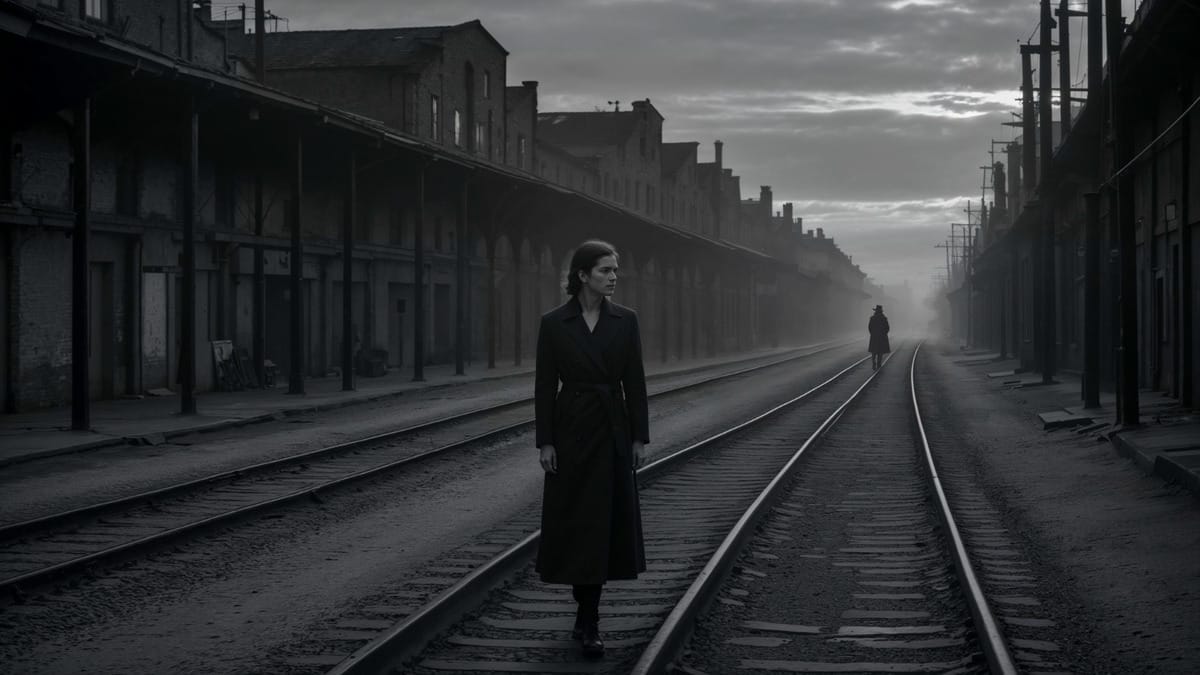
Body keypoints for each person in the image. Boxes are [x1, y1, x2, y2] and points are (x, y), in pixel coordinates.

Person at [534, 239, 648, 659]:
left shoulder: (626, 320)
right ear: (582, 275)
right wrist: (545, 440)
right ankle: (583, 607)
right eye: (605, 270)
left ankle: (590, 618)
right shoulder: (553, 323)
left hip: (612, 431)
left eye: (616, 270)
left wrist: (638, 437)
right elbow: (545, 385)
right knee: (576, 522)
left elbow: (634, 382)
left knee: (603, 522)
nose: (614, 277)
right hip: (570, 432)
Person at [868, 304, 890, 370]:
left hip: (874, 337)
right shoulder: (884, 318)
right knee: (880, 351)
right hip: (882, 337)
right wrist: (884, 334)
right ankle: (879, 364)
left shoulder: (872, 318)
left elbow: (870, 327)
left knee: (874, 351)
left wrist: (872, 333)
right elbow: (887, 328)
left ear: (875, 311)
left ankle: (874, 363)